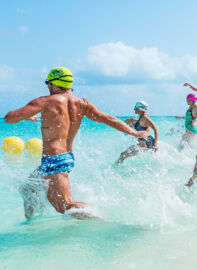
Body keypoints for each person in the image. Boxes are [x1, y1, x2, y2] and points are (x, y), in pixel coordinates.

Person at [4, 67, 148, 219]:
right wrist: (133, 132)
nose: (47, 87)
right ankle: (31, 225)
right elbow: (108, 119)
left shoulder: (45, 102)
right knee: (28, 187)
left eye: (48, 83)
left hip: (54, 159)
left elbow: (9, 118)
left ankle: (105, 219)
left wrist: (25, 115)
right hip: (66, 157)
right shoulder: (82, 103)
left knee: (65, 206)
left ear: (53, 84)